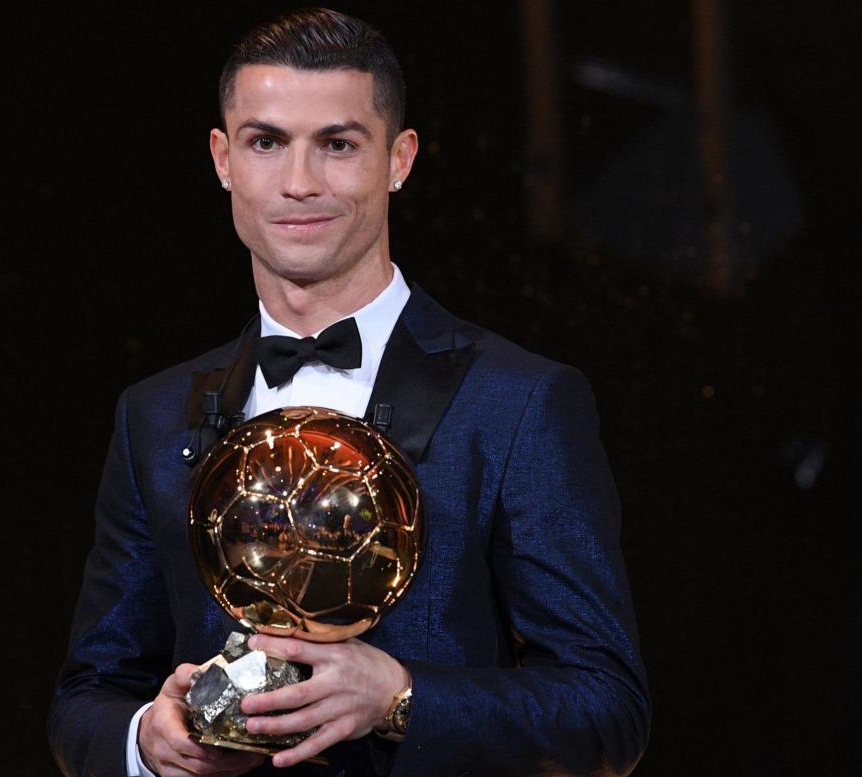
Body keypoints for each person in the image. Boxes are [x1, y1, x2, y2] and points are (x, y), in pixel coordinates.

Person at [48, 8, 649, 776]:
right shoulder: (154, 416)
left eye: (337, 144)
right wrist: (146, 739)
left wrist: (400, 697)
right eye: (267, 143)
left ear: (399, 159)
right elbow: (85, 697)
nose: (299, 184)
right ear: (222, 158)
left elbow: (608, 710)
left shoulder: (520, 402)